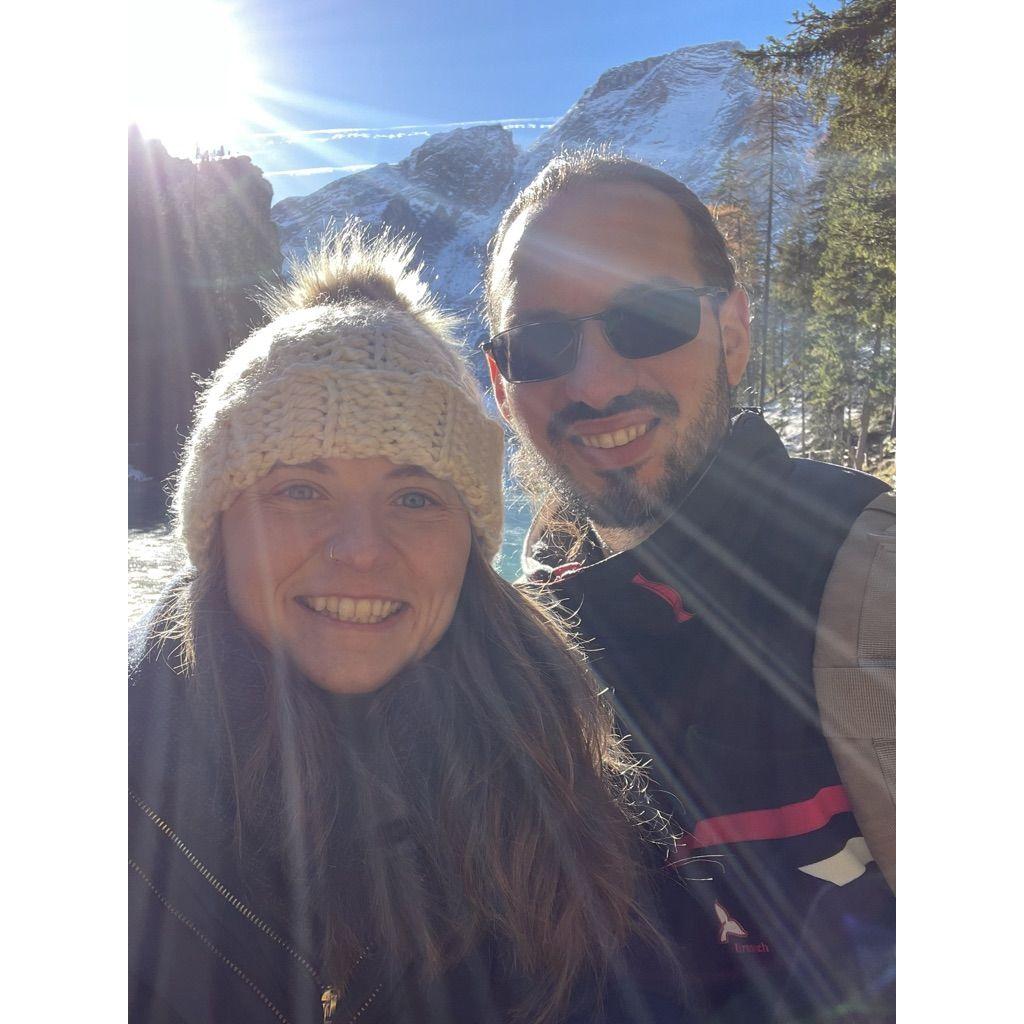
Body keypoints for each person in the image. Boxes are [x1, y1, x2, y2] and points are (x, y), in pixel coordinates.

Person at [128, 224, 725, 1024]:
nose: (362, 551)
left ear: (469, 544)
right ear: (218, 524)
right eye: (302, 489)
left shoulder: (576, 783)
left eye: (416, 498)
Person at [482, 151, 896, 1022]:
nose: (594, 383)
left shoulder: (889, 588)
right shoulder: (515, 644)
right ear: (500, 383)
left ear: (733, 332)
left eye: (650, 315)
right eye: (541, 342)